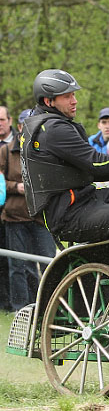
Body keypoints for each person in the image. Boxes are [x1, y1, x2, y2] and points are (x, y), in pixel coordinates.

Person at [21, 69, 109, 243]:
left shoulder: (43, 123)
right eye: (67, 97)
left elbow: (75, 170)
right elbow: (96, 163)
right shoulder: (54, 129)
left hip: (81, 199)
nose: (74, 101)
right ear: (48, 101)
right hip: (68, 213)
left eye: (74, 95)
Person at [0, 109, 56, 311]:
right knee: (17, 265)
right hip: (15, 217)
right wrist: (16, 187)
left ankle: (51, 307)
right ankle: (21, 309)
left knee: (50, 263)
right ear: (19, 126)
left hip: (41, 217)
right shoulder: (6, 151)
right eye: (24, 124)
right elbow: (0, 183)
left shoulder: (45, 150)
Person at [0, 106, 14, 311]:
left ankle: (10, 301)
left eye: (2, 119)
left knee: (11, 260)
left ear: (10, 121)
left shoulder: (15, 146)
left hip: (11, 210)